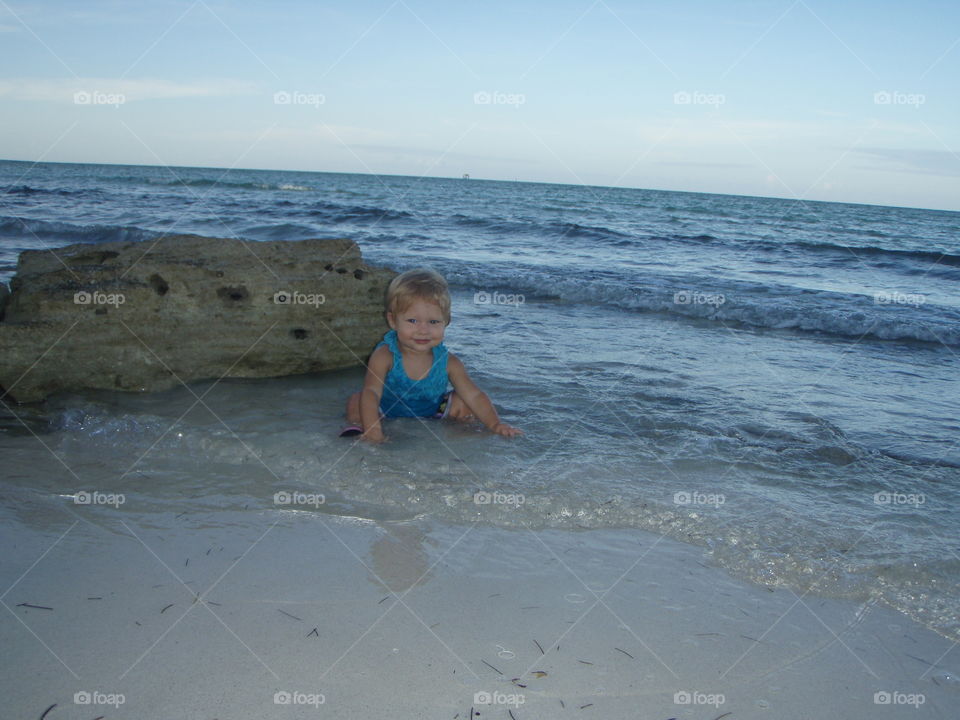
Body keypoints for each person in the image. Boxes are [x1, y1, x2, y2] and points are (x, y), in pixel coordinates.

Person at [342, 268, 522, 443]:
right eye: (412, 321)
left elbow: (474, 395)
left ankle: (456, 432)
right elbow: (372, 392)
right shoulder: (385, 355)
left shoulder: (449, 362)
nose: (423, 330)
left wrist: (495, 424)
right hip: (386, 410)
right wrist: (374, 430)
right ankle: (364, 429)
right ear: (392, 321)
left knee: (463, 400)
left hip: (434, 412)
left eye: (433, 322)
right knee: (358, 400)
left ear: (446, 322)